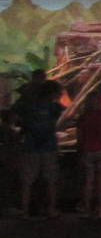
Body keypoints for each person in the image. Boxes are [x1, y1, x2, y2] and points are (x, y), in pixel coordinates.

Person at [15, 73, 64, 219]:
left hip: (31, 146)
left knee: (27, 180)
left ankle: (25, 210)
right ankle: (51, 209)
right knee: (51, 180)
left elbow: (16, 114)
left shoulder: (29, 106)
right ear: (52, 93)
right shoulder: (55, 107)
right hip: (48, 146)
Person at [74, 96, 101, 218]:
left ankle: (86, 210)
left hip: (87, 150)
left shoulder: (83, 117)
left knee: (88, 181)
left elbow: (79, 137)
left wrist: (79, 150)